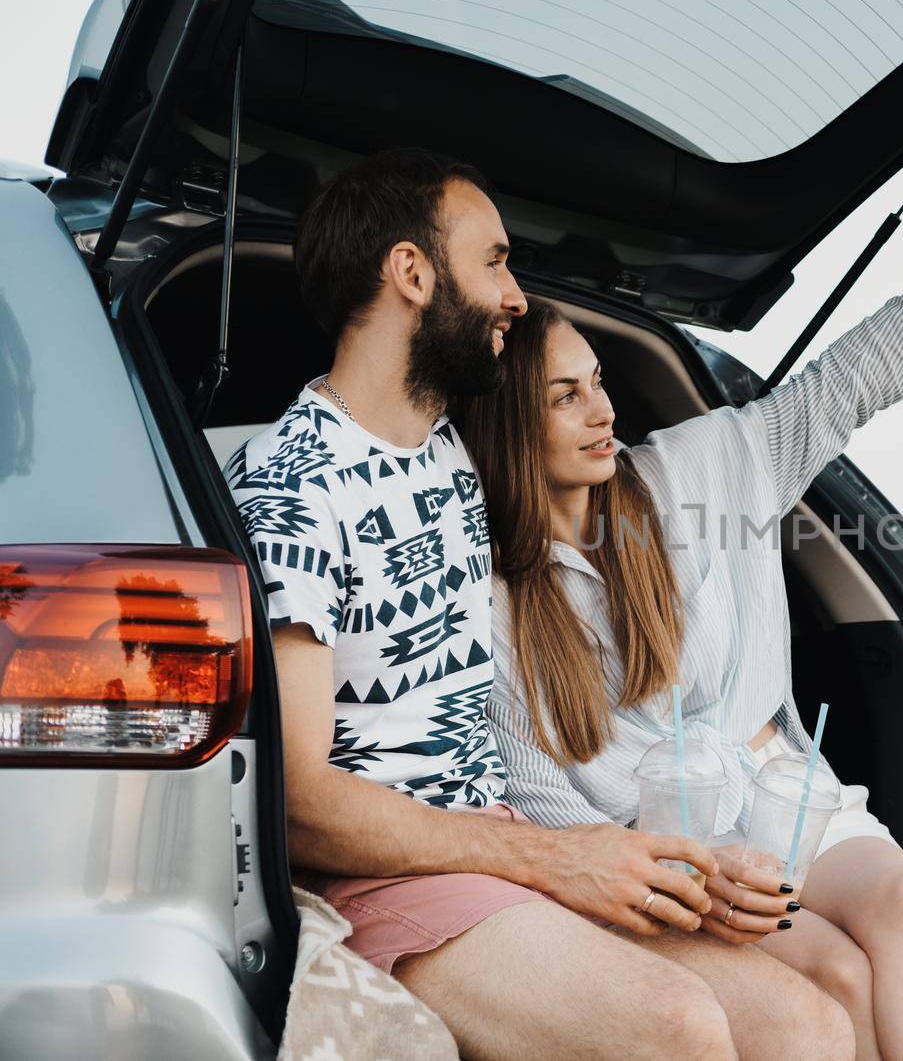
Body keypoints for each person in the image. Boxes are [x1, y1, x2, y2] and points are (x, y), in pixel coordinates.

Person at [226, 148, 853, 1061]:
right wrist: (555, 861)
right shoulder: (294, 485)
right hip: (385, 877)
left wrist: (677, 854)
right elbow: (302, 803)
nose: (514, 296)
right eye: (495, 261)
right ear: (411, 273)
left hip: (500, 844)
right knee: (680, 1027)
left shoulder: (449, 455)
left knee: (810, 1026)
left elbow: (576, 588)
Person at [458, 169, 903, 1061]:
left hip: (788, 806)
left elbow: (841, 389)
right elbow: (553, 817)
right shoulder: (494, 611)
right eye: (566, 396)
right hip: (676, 873)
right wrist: (695, 879)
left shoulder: (693, 470)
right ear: (509, 427)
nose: (604, 411)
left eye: (598, 381)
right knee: (836, 975)